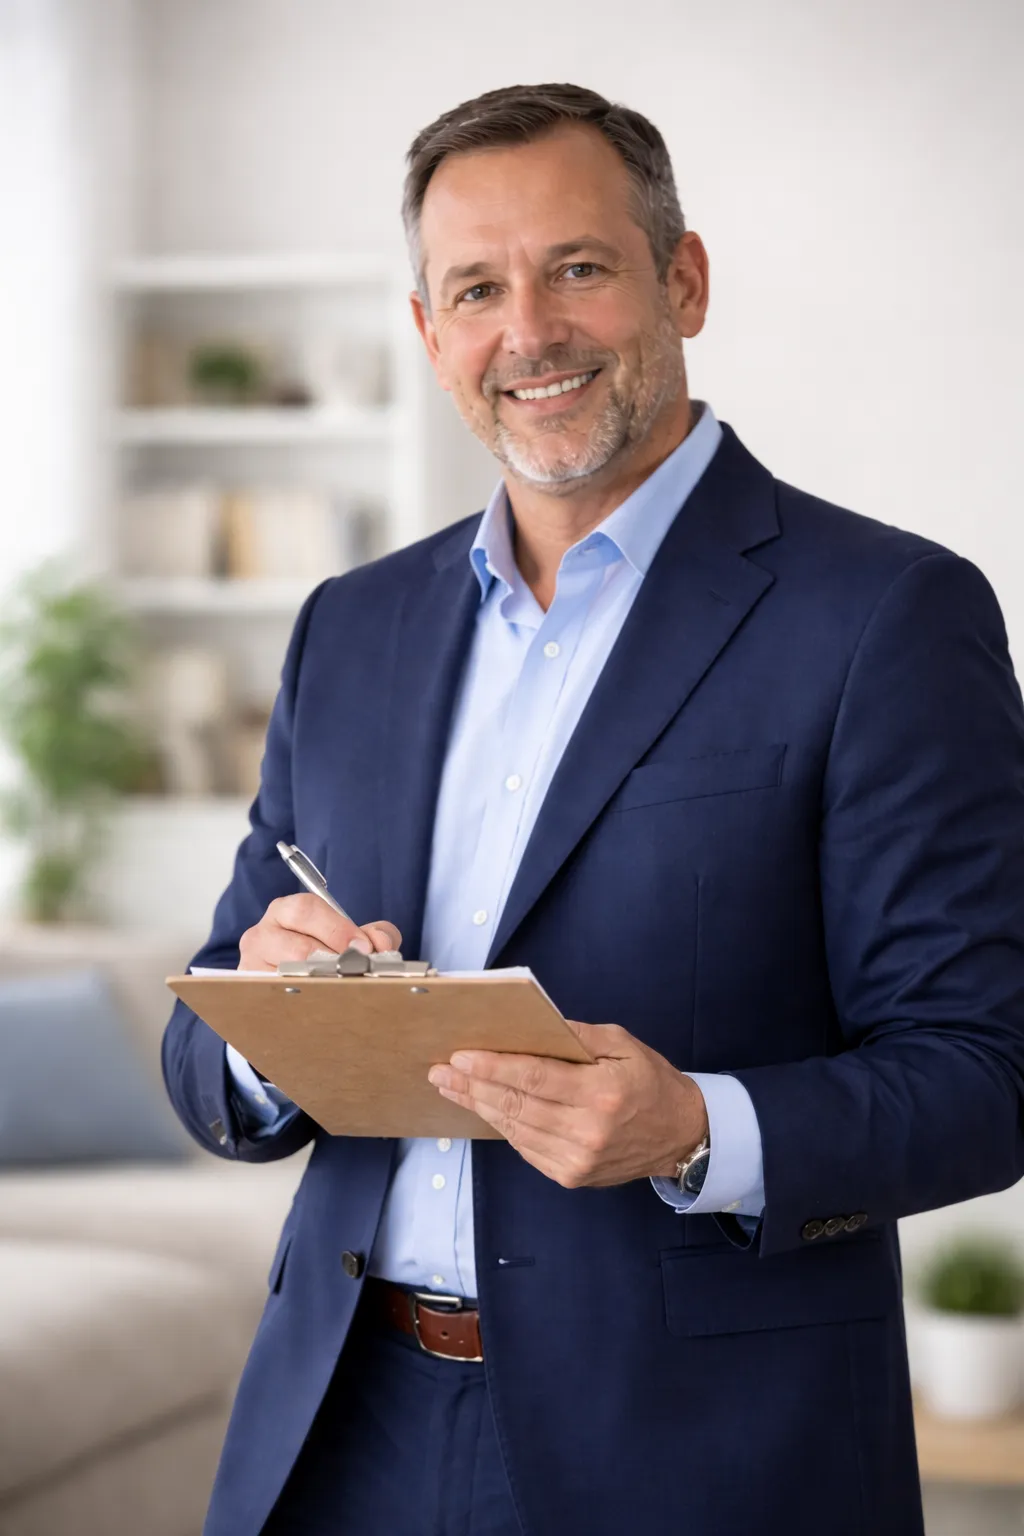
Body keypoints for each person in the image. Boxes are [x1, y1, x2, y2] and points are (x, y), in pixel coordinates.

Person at [162, 82, 1024, 1536]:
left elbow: (986, 1074)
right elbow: (206, 1046)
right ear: (431, 335)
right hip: (339, 1432)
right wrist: (270, 1034)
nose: (529, 333)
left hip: (698, 1459)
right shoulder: (349, 627)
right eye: (476, 291)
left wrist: (697, 1126)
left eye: (578, 268)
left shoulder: (887, 615)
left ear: (681, 280)